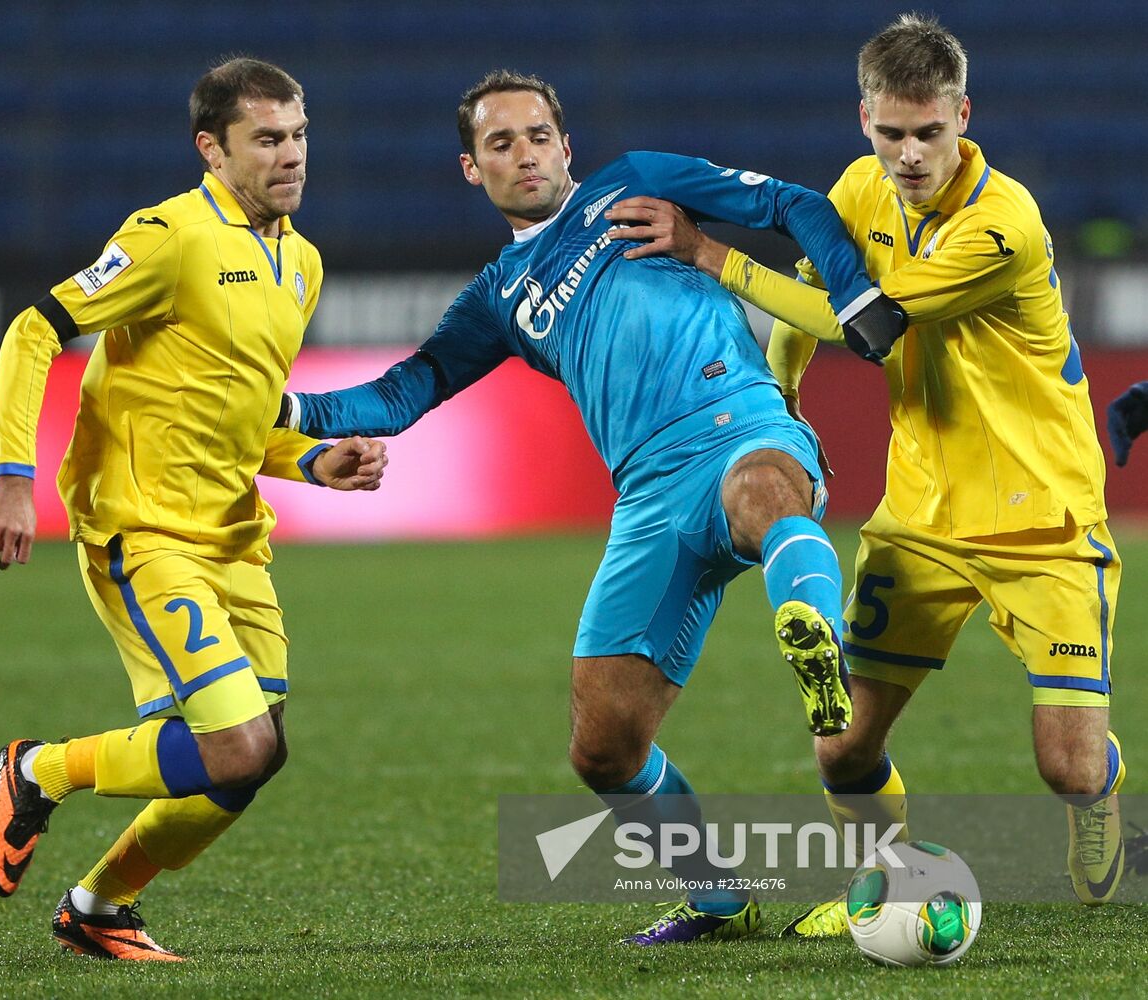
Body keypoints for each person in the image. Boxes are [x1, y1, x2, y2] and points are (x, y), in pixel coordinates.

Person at [279, 69, 907, 945]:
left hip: (738, 421)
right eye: (501, 143)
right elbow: (406, 388)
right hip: (647, 494)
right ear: (473, 169)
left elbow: (793, 203)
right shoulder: (499, 296)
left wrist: (856, 292)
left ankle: (814, 634)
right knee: (602, 746)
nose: (524, 154)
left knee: (765, 495)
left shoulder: (637, 180)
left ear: (566, 147)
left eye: (538, 136)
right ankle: (718, 897)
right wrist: (289, 411)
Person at [609, 13, 1127, 935]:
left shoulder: (1000, 228)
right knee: (842, 747)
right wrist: (780, 404)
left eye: (930, 132)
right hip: (921, 513)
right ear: (865, 120)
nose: (911, 154)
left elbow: (865, 321)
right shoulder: (859, 189)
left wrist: (707, 251)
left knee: (1068, 768)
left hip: (1042, 518)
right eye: (892, 134)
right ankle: (883, 880)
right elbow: (814, 284)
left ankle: (1104, 802)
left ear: (963, 115)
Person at [0, 57, 387, 961]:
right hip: (145, 528)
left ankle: (99, 908)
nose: (291, 156)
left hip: (235, 539)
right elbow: (34, 328)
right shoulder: (170, 237)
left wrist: (315, 460)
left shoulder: (301, 263)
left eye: (300, 135)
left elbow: (236, 416)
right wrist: (12, 472)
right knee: (234, 748)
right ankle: (37, 769)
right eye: (267, 139)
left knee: (256, 754)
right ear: (213, 148)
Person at [1107, 381, 1148, 466]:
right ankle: (1122, 448)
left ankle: (1122, 447)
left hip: (1139, 406)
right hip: (1129, 410)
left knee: (1114, 409)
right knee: (1123, 430)